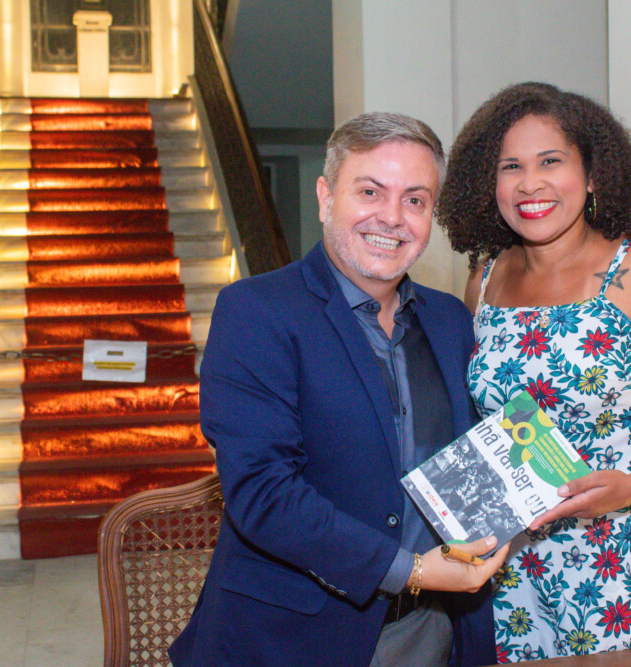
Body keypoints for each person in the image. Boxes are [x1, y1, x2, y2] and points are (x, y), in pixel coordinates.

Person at [169, 112, 510, 667]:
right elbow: (262, 491)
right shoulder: (255, 311)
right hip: (291, 639)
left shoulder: (450, 320)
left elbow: (468, 463)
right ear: (326, 198)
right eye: (370, 191)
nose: (392, 217)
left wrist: (518, 503)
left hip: (434, 629)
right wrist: (412, 571)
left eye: (415, 200)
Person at [436, 82, 631, 661]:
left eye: (551, 161)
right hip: (506, 570)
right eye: (511, 167)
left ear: (594, 175)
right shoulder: (484, 278)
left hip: (614, 560)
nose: (530, 183)